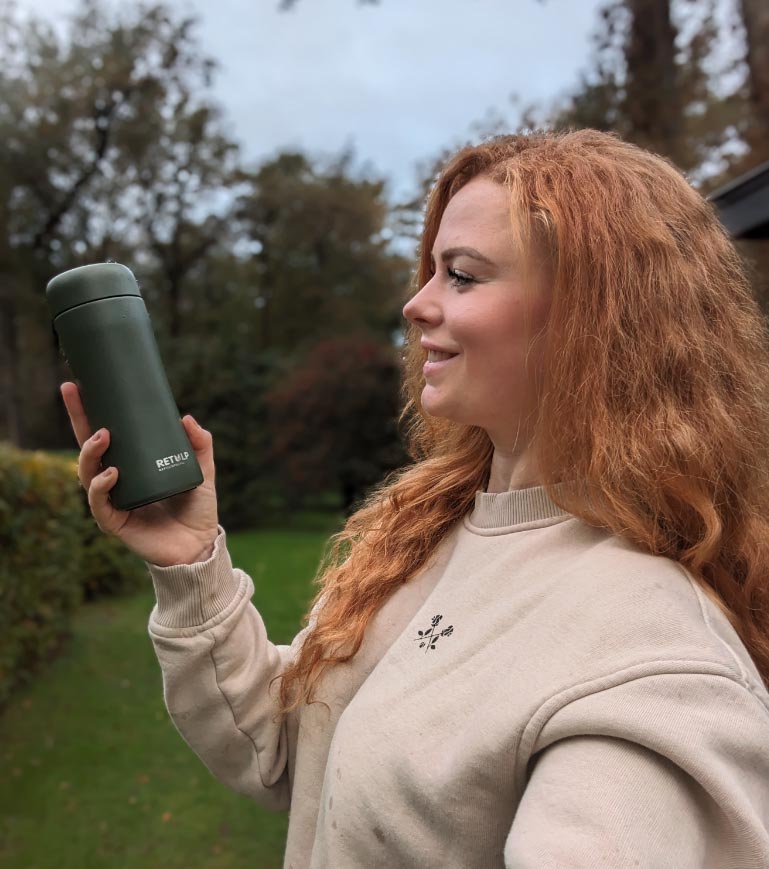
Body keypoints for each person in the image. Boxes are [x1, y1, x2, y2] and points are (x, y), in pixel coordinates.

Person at [61, 128, 769, 868]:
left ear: (595, 320)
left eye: (461, 276)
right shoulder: (435, 529)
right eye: (430, 270)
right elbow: (281, 747)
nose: (415, 304)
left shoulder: (650, 662)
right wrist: (192, 562)